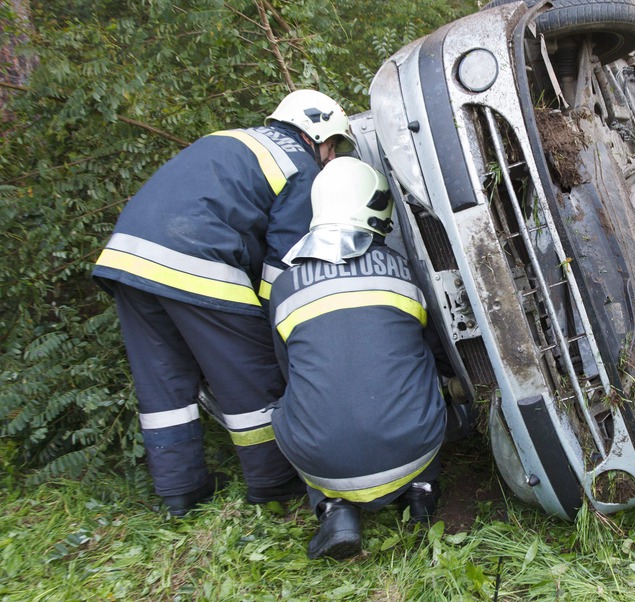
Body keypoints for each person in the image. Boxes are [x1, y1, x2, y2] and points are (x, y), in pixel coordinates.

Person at [92, 89, 353, 516]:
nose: (331, 156)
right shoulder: (302, 167)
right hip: (195, 259)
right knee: (250, 377)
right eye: (333, 146)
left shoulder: (230, 139)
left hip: (128, 258)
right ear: (320, 134)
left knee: (163, 381)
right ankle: (274, 483)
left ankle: (180, 491)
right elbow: (283, 265)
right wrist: (279, 330)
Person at [268, 157, 448, 560]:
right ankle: (421, 492)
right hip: (413, 447)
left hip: (322, 462)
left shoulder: (283, 287)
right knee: (423, 375)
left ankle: (335, 511)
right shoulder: (403, 272)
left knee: (294, 402)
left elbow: (289, 372)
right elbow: (434, 353)